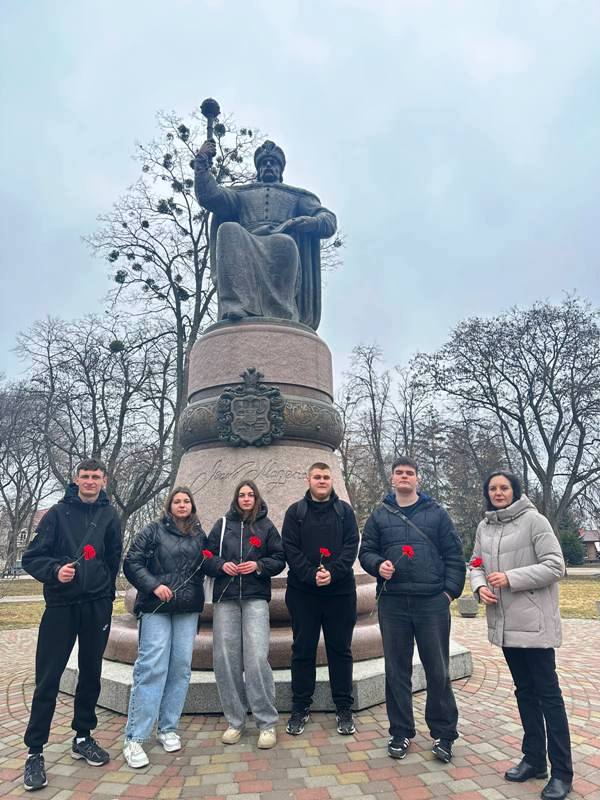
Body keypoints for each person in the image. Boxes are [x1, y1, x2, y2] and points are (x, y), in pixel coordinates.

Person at [470, 472, 573, 800]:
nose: (498, 492)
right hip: (504, 625)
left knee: (549, 697)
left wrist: (511, 578)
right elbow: (475, 564)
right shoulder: (485, 526)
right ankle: (534, 760)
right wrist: (480, 587)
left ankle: (562, 773)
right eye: (493, 488)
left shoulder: (534, 521)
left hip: (535, 626)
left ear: (515, 491)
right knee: (524, 693)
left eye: (504, 487)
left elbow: (556, 566)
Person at [21, 458, 122, 791]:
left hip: (96, 606)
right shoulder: (56, 514)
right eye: (85, 476)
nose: (90, 481)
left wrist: (106, 595)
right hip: (61, 606)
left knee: (91, 674)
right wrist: (55, 571)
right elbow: (32, 557)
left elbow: (113, 558)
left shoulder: (110, 516)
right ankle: (35, 751)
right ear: (76, 479)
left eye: (96, 476)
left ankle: (82, 736)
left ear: (104, 480)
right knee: (48, 678)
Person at [359, 456, 466, 763]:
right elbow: (366, 552)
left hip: (431, 602)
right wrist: (378, 565)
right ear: (392, 479)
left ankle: (444, 734)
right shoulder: (380, 515)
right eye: (399, 473)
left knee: (438, 670)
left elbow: (454, 556)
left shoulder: (437, 514)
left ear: (418, 479)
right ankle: (400, 731)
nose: (404, 477)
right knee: (396, 670)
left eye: (409, 473)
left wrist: (448, 593)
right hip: (393, 602)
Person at [194, 138, 337, 329]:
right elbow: (209, 196)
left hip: (282, 242)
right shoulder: (241, 194)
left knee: (283, 243)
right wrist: (202, 160)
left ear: (281, 169)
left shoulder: (297, 196)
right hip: (245, 243)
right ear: (258, 169)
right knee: (228, 229)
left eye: (273, 162)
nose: (268, 165)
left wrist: (311, 222)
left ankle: (282, 313)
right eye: (264, 163)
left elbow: (328, 219)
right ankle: (237, 306)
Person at [122, 486, 207, 768]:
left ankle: (168, 728)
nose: (182, 505)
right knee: (152, 667)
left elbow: (208, 564)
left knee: (180, 668)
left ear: (192, 506)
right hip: (156, 607)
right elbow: (132, 562)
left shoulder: (199, 535)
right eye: (177, 501)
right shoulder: (152, 531)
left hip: (187, 609)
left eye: (186, 501)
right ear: (169, 506)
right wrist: (154, 585)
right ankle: (135, 737)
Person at [204, 480, 285, 749]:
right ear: (236, 498)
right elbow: (205, 556)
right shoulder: (222, 525)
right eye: (242, 495)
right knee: (225, 660)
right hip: (226, 599)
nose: (246, 499)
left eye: (251, 495)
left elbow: (279, 558)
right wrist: (221, 565)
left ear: (256, 498)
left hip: (255, 598)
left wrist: (258, 565)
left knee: (257, 659)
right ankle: (235, 721)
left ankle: (266, 723)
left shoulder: (266, 526)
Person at [282, 462, 359, 737]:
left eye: (326, 477)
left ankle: (344, 707)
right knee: (303, 650)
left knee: (340, 650)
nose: (322, 481)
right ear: (309, 480)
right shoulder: (295, 512)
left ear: (332, 480)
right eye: (317, 476)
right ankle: (300, 706)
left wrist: (333, 573)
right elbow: (290, 547)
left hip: (340, 593)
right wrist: (311, 574)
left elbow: (351, 545)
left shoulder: (344, 512)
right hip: (303, 593)